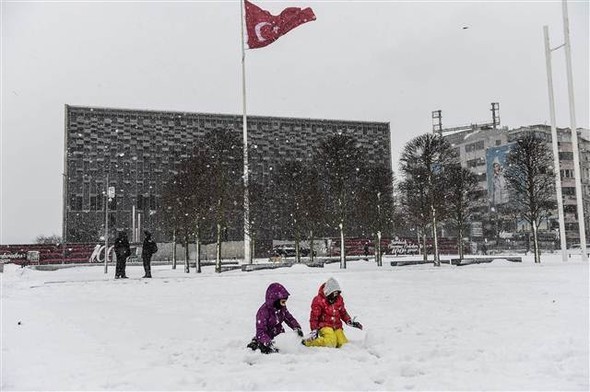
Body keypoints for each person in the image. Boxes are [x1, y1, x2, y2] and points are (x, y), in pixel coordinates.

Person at [302, 277, 363, 348]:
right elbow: (314, 317)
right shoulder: (318, 300)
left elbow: (343, 312)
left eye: (337, 294)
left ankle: (336, 340)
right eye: (333, 294)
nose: (335, 296)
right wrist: (314, 330)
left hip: (337, 326)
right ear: (328, 293)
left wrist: (349, 321)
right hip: (325, 326)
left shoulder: (339, 299)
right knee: (331, 342)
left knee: (343, 343)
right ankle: (308, 342)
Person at [246, 282, 303, 354]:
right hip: (267, 337)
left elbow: (289, 318)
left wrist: (296, 327)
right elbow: (260, 331)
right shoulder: (263, 312)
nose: (284, 304)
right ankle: (255, 343)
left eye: (285, 302)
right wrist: (268, 342)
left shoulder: (282, 308)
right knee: (267, 350)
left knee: (281, 350)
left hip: (279, 335)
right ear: (275, 300)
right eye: (282, 302)